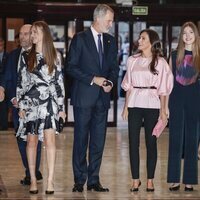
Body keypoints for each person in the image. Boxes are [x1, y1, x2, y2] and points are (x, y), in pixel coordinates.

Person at [66, 4, 119, 192]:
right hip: (84, 98)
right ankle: (79, 180)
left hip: (102, 100)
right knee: (81, 140)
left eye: (112, 21)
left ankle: (94, 180)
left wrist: (111, 83)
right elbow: (70, 67)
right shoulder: (80, 39)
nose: (111, 24)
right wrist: (93, 79)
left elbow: (114, 68)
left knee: (98, 141)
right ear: (98, 18)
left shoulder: (112, 41)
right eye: (109, 20)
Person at [16, 21, 66, 194]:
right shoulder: (25, 56)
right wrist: (21, 104)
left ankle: (50, 181)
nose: (32, 35)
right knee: (31, 142)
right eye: (31, 32)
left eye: (35, 32)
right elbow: (21, 82)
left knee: (50, 141)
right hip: (31, 105)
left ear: (44, 33)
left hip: (49, 104)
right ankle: (33, 180)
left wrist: (61, 107)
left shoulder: (55, 55)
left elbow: (59, 83)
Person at [121, 29, 173, 192]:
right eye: (140, 37)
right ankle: (135, 179)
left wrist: (164, 110)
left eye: (143, 38)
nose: (139, 40)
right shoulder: (132, 60)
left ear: (151, 41)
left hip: (153, 105)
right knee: (133, 142)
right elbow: (128, 85)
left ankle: (150, 180)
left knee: (151, 143)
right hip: (135, 103)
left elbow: (164, 89)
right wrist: (125, 107)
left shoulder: (161, 62)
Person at [0, 24, 43, 185]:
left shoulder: (39, 54)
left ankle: (32, 172)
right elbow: (6, 76)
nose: (24, 37)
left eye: (27, 33)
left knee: (35, 140)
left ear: (32, 35)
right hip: (17, 106)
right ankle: (30, 170)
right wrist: (4, 91)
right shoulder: (12, 56)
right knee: (21, 139)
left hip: (35, 106)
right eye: (21, 34)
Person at [167, 21, 200, 191]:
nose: (187, 36)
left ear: (196, 35)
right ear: (181, 36)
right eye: (184, 33)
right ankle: (174, 179)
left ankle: (189, 180)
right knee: (175, 140)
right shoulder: (173, 55)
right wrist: (164, 106)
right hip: (177, 100)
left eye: (191, 33)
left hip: (195, 101)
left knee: (192, 141)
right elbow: (168, 83)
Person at [0, 37, 9, 130]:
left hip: (5, 84)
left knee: (4, 105)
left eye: (1, 43)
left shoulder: (8, 55)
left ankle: (4, 125)